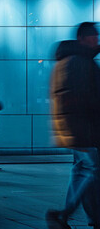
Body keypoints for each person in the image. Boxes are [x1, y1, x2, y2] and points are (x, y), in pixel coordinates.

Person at [46, 22, 100, 229]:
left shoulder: (71, 60)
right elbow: (80, 99)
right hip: (84, 129)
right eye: (92, 36)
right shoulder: (78, 62)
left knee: (82, 171)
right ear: (82, 39)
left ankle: (83, 216)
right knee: (91, 171)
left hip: (78, 129)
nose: (96, 39)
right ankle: (64, 214)